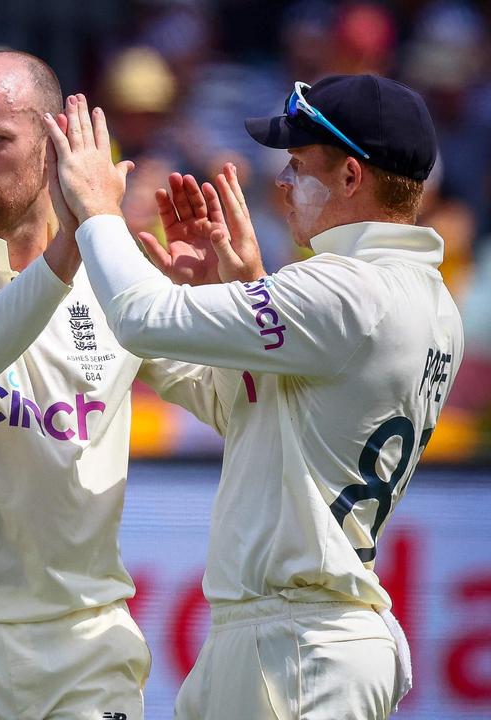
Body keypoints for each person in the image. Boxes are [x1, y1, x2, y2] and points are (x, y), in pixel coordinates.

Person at [44, 77, 463, 718]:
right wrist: (238, 304)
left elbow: (137, 315)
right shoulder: (422, 299)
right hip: (293, 638)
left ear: (352, 177)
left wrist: (98, 208)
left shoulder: (349, 291)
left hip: (298, 644)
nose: (283, 184)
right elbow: (242, 410)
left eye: (299, 166)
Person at [0, 50, 237, 719]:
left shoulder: (118, 275)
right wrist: (75, 243)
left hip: (86, 635)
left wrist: (229, 304)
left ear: (57, 143)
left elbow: (236, 409)